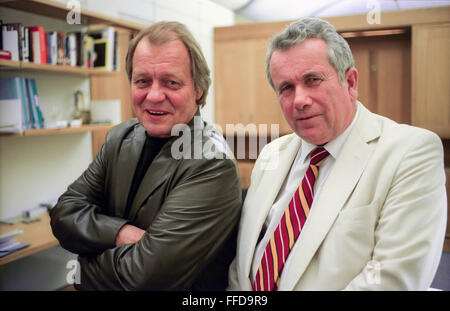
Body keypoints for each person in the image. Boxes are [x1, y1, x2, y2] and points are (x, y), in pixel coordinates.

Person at [228, 17, 447, 291]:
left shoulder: (410, 153)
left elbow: (394, 280)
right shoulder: (271, 155)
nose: (299, 100)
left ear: (351, 82)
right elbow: (243, 264)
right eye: (286, 88)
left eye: (313, 80)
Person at [50, 21, 242, 290]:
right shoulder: (120, 138)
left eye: (171, 83)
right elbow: (63, 214)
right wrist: (120, 233)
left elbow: (144, 279)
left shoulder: (211, 163)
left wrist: (83, 265)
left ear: (198, 90)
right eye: (142, 81)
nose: (153, 95)